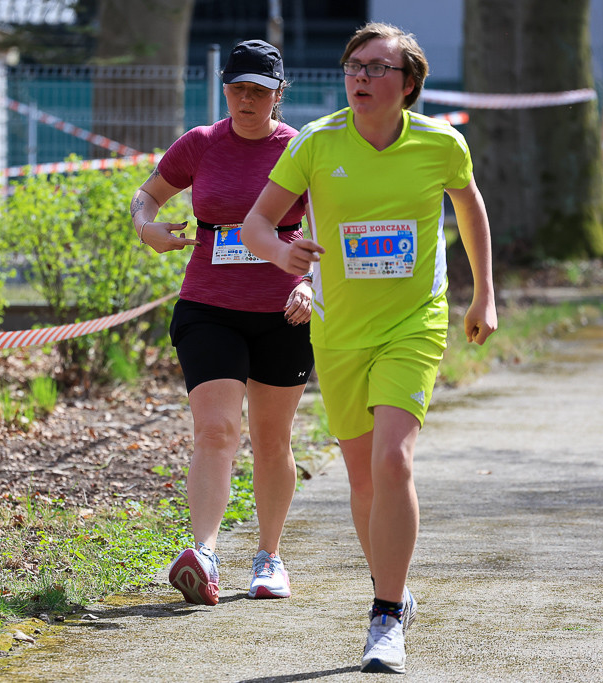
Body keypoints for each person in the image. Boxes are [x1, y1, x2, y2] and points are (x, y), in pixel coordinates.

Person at [241, 23, 497, 674]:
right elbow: (257, 223)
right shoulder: (316, 143)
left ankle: (383, 616)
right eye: (353, 65)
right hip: (339, 326)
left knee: (393, 462)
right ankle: (397, 587)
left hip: (414, 322)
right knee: (362, 480)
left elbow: (470, 211)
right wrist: (283, 255)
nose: (359, 76)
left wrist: (484, 293)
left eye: (376, 67)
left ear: (407, 83)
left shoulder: (441, 144)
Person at [129, 39, 314, 606]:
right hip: (209, 307)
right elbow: (147, 195)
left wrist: (312, 284)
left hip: (284, 311)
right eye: (237, 88)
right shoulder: (202, 144)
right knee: (215, 430)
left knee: (271, 439)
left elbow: (337, 224)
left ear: (279, 93)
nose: (246, 99)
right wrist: (147, 227)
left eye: (259, 89)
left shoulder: (303, 149)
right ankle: (203, 553)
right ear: (225, 88)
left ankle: (270, 557)